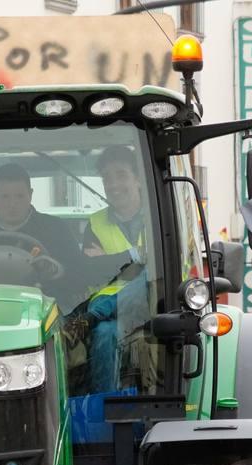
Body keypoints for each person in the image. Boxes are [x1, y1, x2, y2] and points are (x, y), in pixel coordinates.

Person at [0, 163, 84, 302]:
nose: (12, 204)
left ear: (30, 194)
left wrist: (54, 270)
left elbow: (79, 279)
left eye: (19, 196)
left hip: (46, 313)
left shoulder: (56, 230)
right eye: (5, 197)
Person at [79, 146, 153, 394]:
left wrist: (114, 260)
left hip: (154, 309)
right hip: (115, 320)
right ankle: (104, 405)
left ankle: (93, 315)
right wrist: (138, 256)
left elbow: (158, 264)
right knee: (104, 334)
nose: (113, 184)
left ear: (138, 179)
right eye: (107, 178)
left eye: (121, 175)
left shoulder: (158, 216)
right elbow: (89, 269)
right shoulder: (95, 223)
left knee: (150, 275)